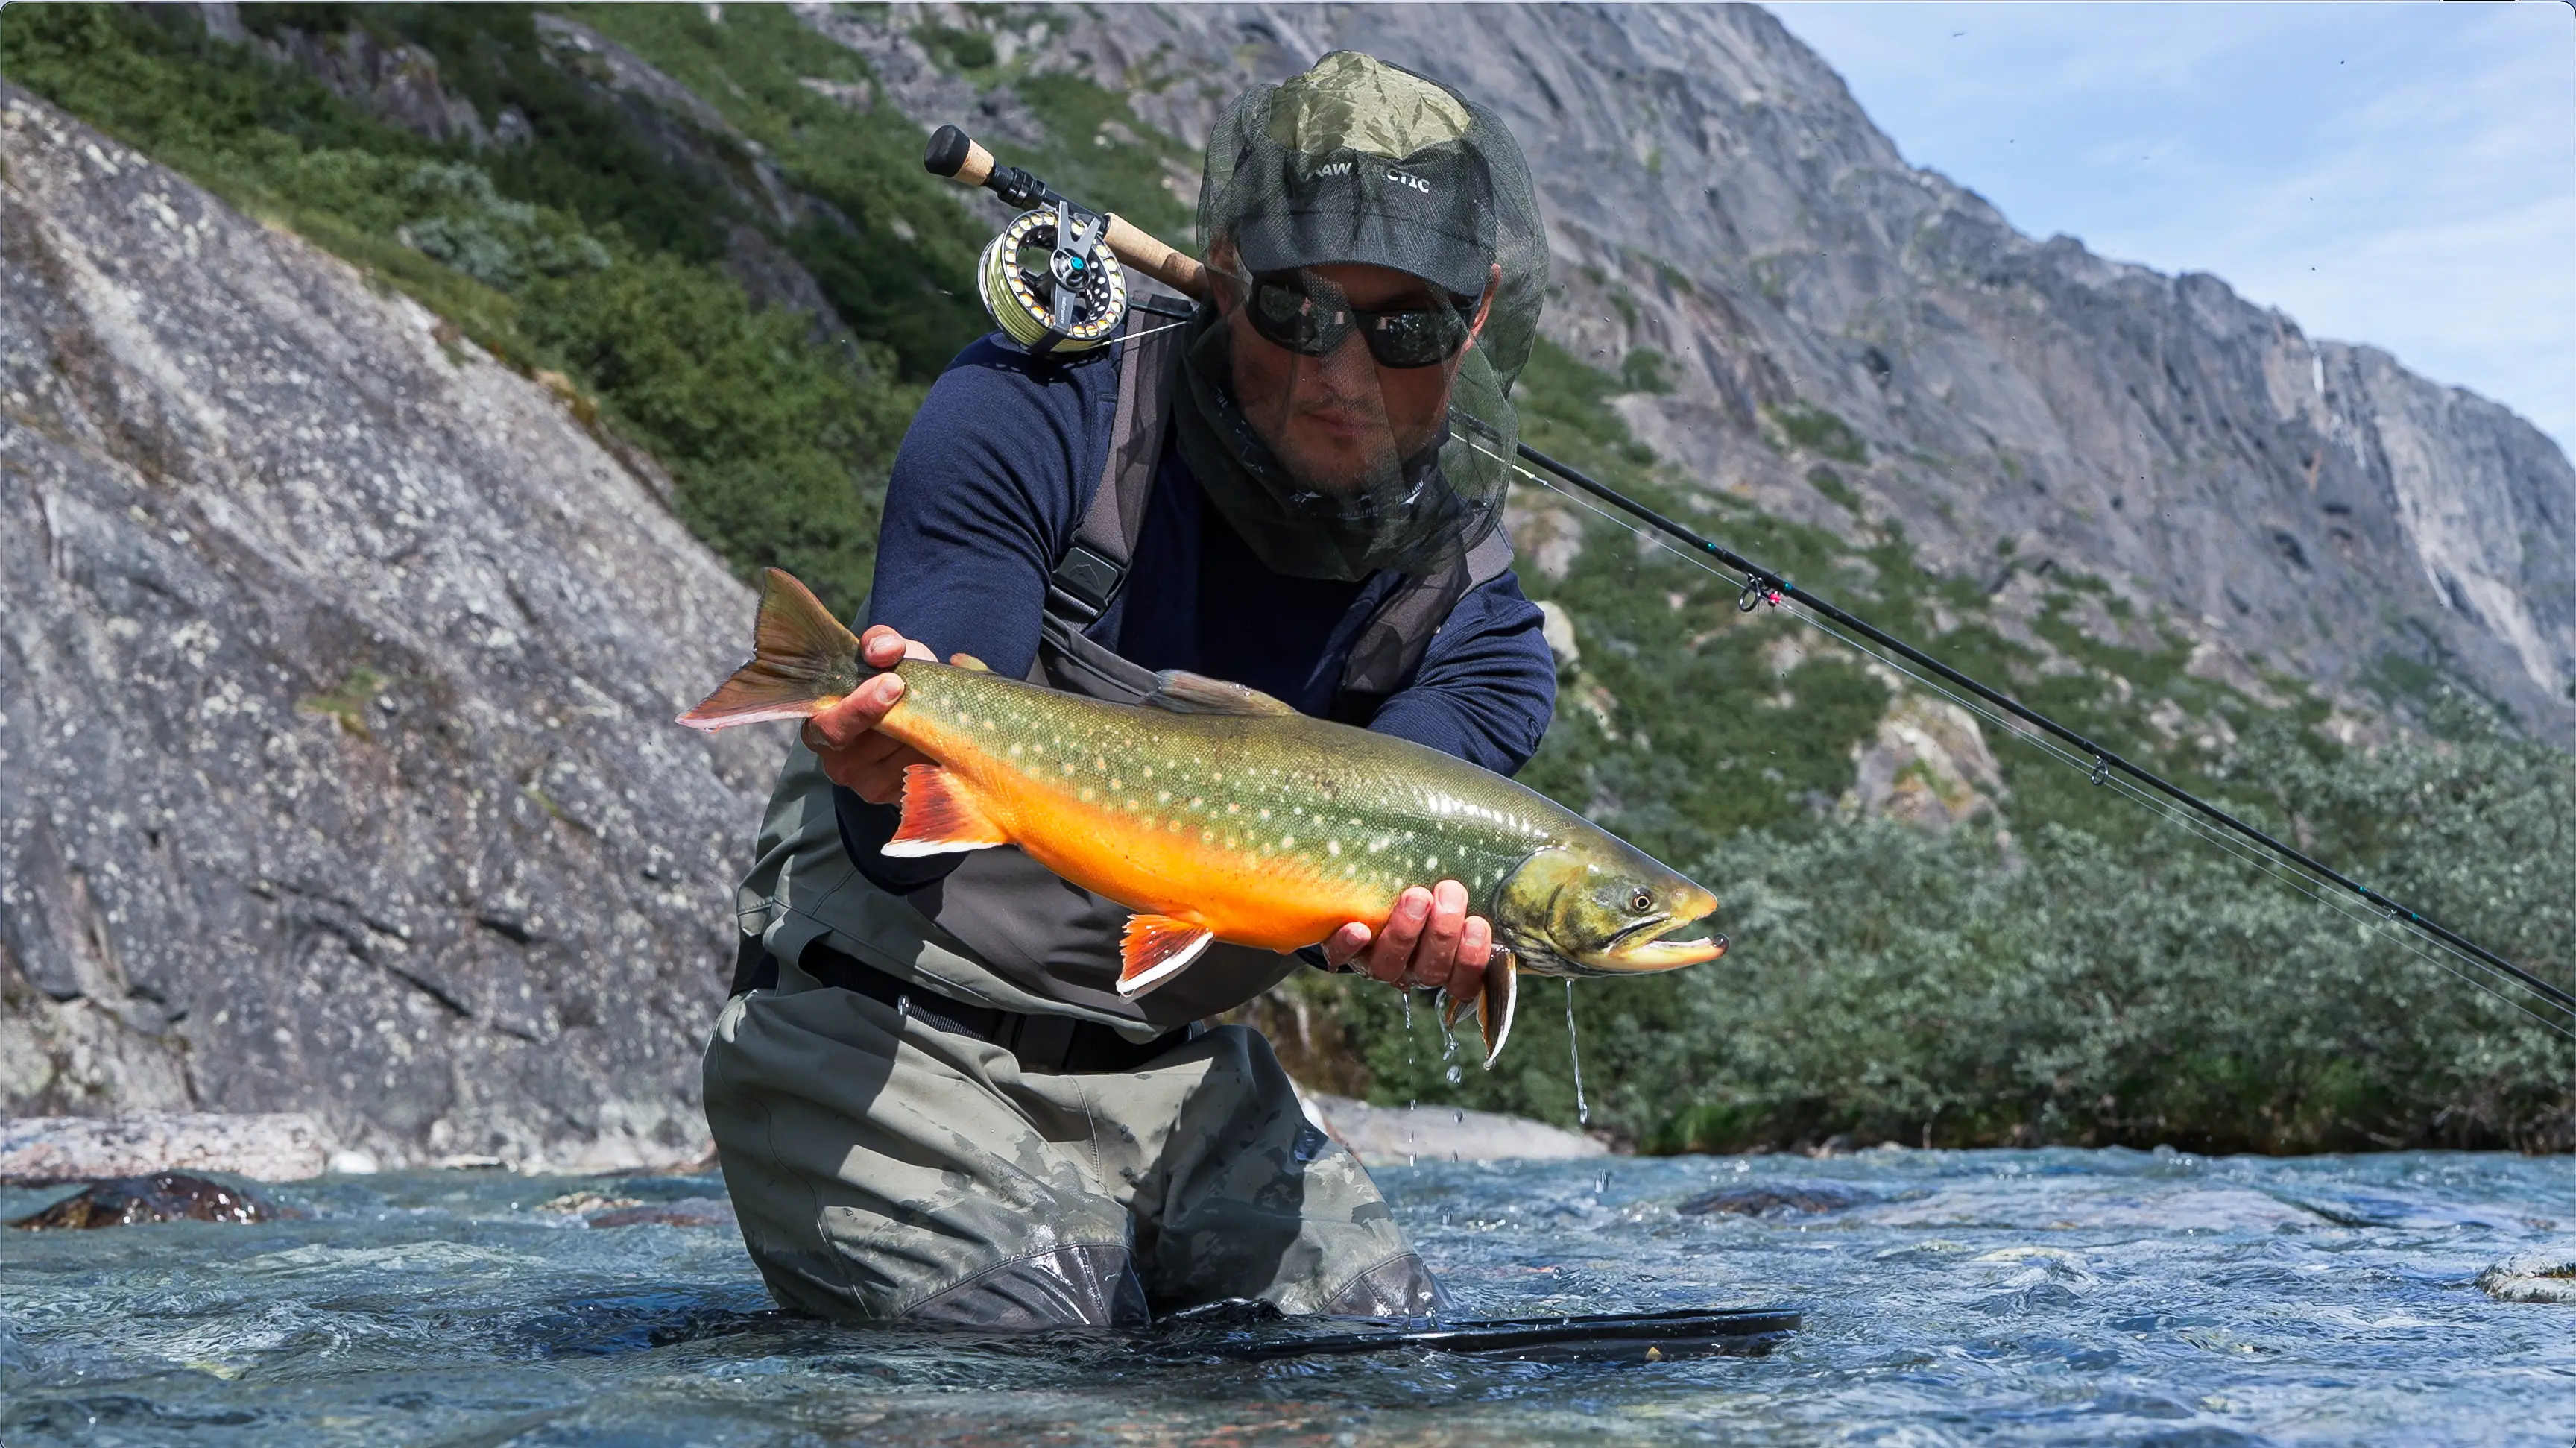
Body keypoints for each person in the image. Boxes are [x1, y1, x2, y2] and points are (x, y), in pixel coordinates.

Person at [704, 51, 1556, 1329]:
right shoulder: (1030, 408)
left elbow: (1409, 856)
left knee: (1377, 1366)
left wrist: (1428, 936)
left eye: (1408, 327)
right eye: (1298, 310)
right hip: (894, 1029)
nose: (1344, 371)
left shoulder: (1478, 629)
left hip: (1183, 1069)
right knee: (1030, 1380)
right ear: (1225, 271)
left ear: (1476, 316)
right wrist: (886, 764)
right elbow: (904, 819)